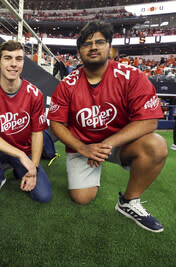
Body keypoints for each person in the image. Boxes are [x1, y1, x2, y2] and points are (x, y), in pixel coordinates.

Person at [47, 20, 168, 232]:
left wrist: (108, 143)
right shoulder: (67, 84)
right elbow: (56, 124)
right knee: (82, 198)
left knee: (156, 146)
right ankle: (91, 171)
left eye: (99, 42)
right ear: (79, 52)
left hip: (116, 144)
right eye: (86, 44)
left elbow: (150, 120)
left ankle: (129, 201)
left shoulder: (132, 76)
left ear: (109, 47)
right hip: (82, 147)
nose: (93, 47)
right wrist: (84, 148)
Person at [0, 40, 52, 203]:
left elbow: (37, 133)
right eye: (7, 58)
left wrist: (34, 168)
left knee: (43, 196)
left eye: (18, 59)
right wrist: (20, 155)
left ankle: (22, 169)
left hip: (26, 148)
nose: (13, 64)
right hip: (2, 149)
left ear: (23, 62)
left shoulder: (35, 94)